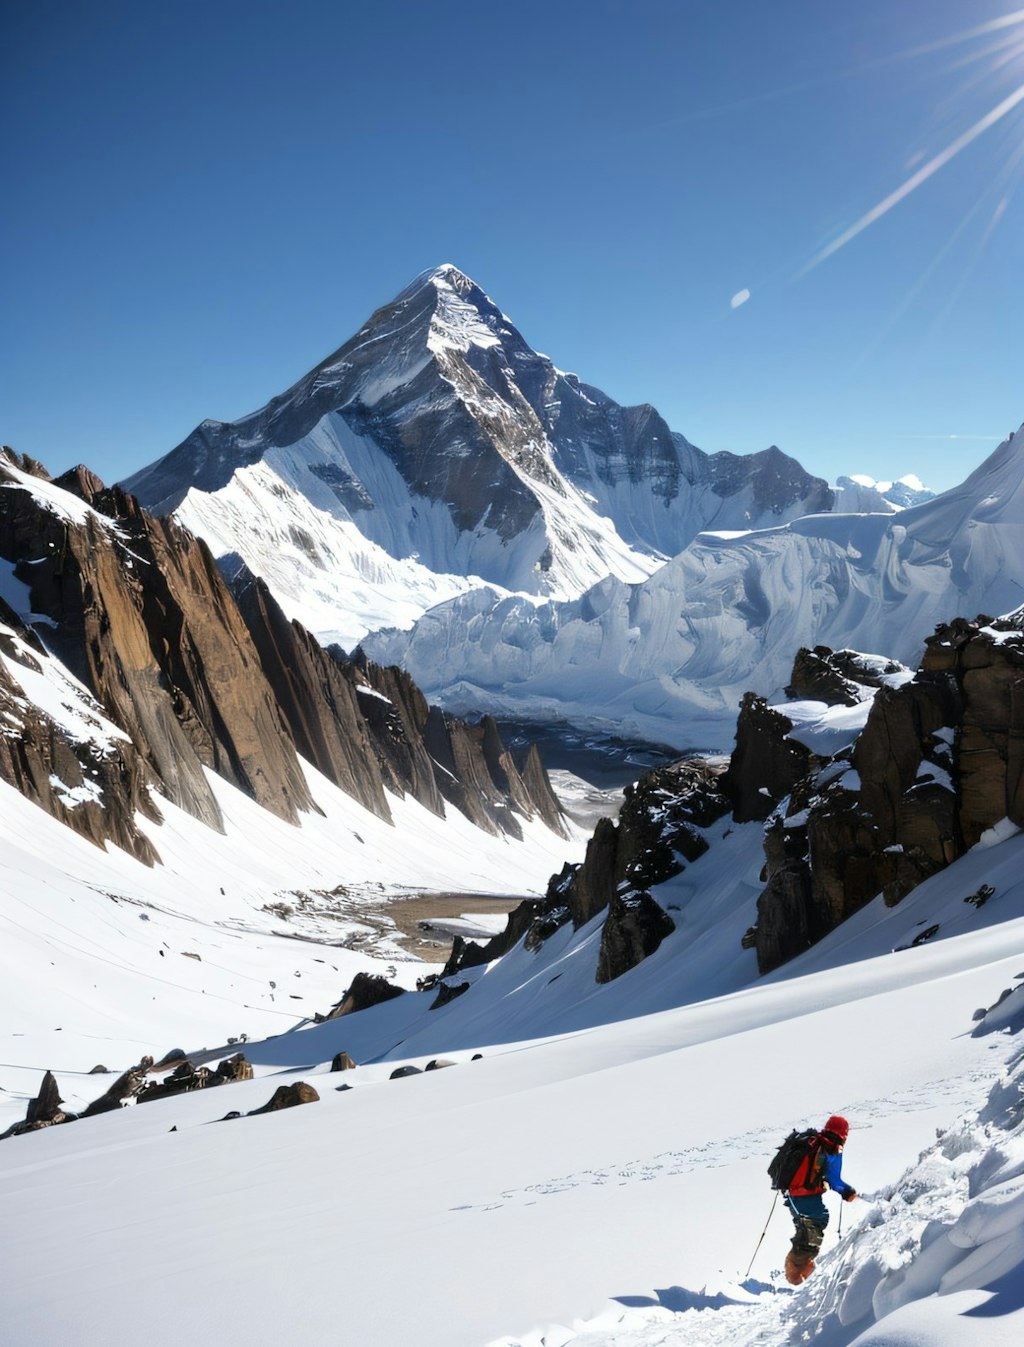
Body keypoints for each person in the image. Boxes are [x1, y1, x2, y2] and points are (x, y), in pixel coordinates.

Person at [784, 1114, 857, 1284]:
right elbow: (834, 1180)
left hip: (793, 1195)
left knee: (807, 1229)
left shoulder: (813, 1142)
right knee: (813, 1229)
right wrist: (847, 1192)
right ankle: (796, 1276)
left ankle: (800, 1269)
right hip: (806, 1197)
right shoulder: (831, 1149)